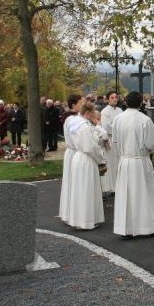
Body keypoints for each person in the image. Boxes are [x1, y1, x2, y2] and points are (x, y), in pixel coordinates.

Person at [111, 91, 154, 238]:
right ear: (141, 103)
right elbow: (152, 143)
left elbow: (114, 141)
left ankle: (126, 229)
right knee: (145, 194)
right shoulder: (144, 120)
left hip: (125, 160)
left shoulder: (118, 119)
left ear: (126, 102)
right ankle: (149, 227)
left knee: (126, 196)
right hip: (140, 161)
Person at [64, 103, 105, 230]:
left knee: (79, 189)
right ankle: (86, 221)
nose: (94, 115)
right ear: (87, 113)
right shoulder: (85, 127)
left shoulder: (74, 124)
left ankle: (78, 219)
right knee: (87, 189)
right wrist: (101, 158)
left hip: (77, 157)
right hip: (86, 159)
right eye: (92, 112)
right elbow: (90, 147)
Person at [59, 94, 86, 224]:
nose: (83, 105)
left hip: (74, 152)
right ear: (74, 105)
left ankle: (73, 213)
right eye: (81, 103)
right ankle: (72, 214)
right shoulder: (72, 119)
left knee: (74, 183)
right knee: (73, 183)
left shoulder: (76, 118)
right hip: (74, 152)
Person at [99, 92, 123, 196]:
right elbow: (106, 126)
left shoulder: (120, 110)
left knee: (119, 163)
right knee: (112, 163)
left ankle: (120, 185)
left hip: (120, 140)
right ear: (108, 99)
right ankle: (112, 187)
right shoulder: (104, 112)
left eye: (116, 97)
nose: (114, 99)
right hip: (111, 140)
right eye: (112, 98)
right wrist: (118, 128)